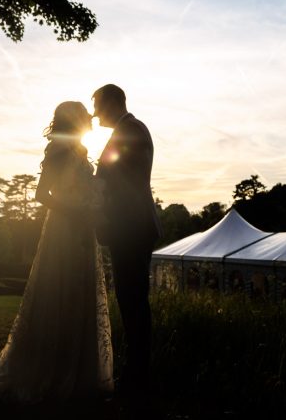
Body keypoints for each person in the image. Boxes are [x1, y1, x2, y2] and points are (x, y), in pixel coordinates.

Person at [0, 101, 113, 402]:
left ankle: (79, 373)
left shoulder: (80, 150)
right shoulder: (58, 149)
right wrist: (76, 211)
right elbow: (43, 194)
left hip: (83, 231)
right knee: (59, 292)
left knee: (79, 294)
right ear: (73, 119)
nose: (90, 118)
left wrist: (93, 206)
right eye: (84, 114)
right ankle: (49, 370)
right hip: (64, 231)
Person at [92, 84, 162, 396]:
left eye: (97, 106)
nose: (94, 115)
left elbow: (113, 181)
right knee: (131, 299)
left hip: (131, 227)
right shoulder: (129, 129)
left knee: (133, 300)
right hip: (130, 227)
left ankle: (138, 375)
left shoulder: (130, 130)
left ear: (112, 102)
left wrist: (90, 190)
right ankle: (137, 372)